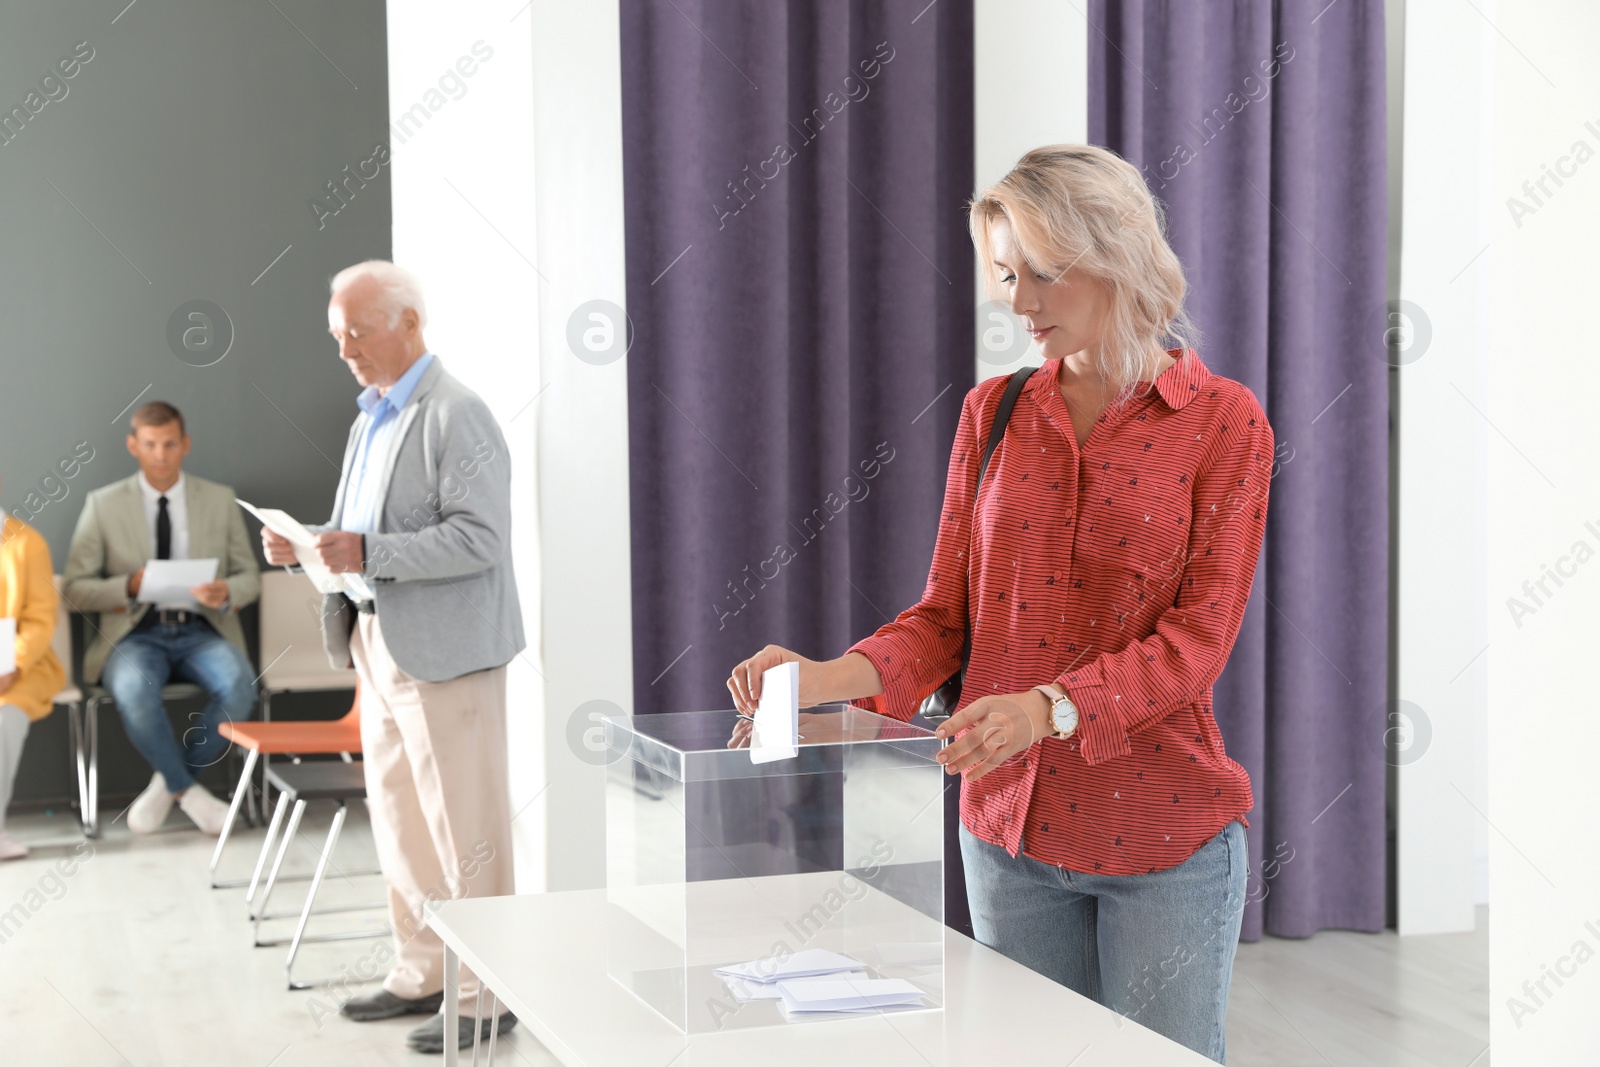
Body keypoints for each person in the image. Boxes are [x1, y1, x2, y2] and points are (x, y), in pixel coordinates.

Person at [726, 144, 1273, 1063]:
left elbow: (1197, 641)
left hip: (1165, 843)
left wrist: (1047, 709)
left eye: (1043, 277)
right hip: (1008, 837)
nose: (1018, 304)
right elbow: (945, 617)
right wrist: (824, 676)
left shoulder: (1224, 423)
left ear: (1118, 257)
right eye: (1008, 275)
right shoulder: (994, 413)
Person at [262, 259, 523, 1055]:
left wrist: (368, 548)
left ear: (409, 322)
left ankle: (487, 994)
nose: (345, 350)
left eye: (358, 331)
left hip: (448, 654)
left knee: (466, 826)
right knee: (403, 821)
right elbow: (362, 537)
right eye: (337, 335)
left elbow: (479, 539)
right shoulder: (368, 416)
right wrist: (307, 546)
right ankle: (423, 970)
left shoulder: (458, 413)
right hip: (375, 641)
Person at [64, 402, 260, 835]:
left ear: (185, 445)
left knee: (239, 685)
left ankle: (169, 783)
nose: (161, 455)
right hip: (135, 634)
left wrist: (227, 590)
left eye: (170, 444)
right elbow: (75, 589)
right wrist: (128, 587)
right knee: (134, 689)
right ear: (133, 445)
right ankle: (189, 793)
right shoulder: (102, 505)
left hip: (201, 629)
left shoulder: (219, 499)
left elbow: (250, 577)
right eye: (150, 445)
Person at [0, 508, 67, 860]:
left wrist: (13, 664)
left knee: (3, 714)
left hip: (23, 666)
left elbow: (41, 618)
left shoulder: (27, 543)